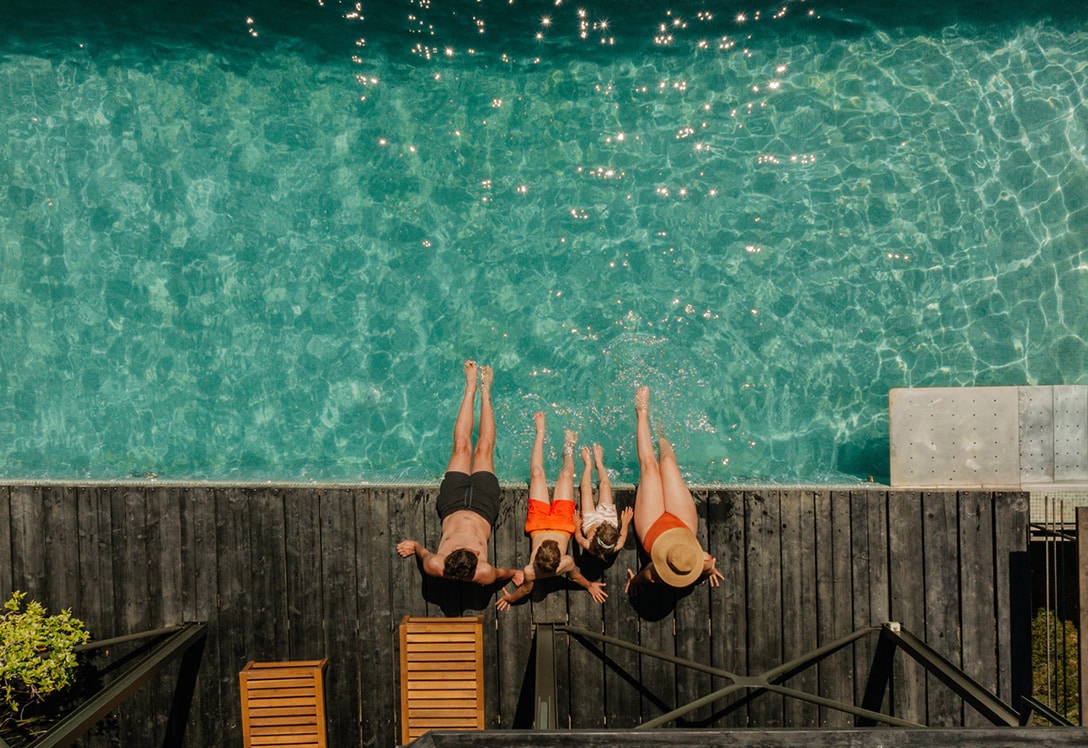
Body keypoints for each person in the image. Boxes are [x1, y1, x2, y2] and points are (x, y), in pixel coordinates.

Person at [396, 360, 522, 586]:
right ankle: (485, 393)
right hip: (484, 506)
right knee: (484, 448)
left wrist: (414, 545)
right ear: (478, 558)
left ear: (449, 555)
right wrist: (515, 573)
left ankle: (471, 386)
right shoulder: (484, 572)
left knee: (461, 446)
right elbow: (502, 572)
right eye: (474, 551)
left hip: (452, 504)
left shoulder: (435, 565)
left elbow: (424, 553)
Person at [496, 412, 608, 610]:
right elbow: (576, 577)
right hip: (562, 524)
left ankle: (540, 432)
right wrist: (590, 585)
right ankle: (569, 448)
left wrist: (510, 599)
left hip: (537, 524)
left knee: (537, 474)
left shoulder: (530, 571)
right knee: (566, 476)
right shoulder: (566, 562)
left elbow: (525, 590)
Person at [625, 386, 724, 593]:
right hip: (683, 525)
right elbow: (709, 564)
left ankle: (641, 413)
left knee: (649, 467)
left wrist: (633, 581)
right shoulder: (703, 563)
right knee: (668, 463)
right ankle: (661, 434)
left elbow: (642, 577)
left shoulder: (655, 572)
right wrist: (710, 572)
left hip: (652, 529)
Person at [574, 444, 632, 561]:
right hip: (608, 517)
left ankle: (588, 465)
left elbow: (579, 538)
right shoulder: (618, 545)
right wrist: (625, 523)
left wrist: (576, 525)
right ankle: (599, 464)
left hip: (589, 523)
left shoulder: (589, 546)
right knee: (605, 485)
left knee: (585, 489)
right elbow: (623, 537)